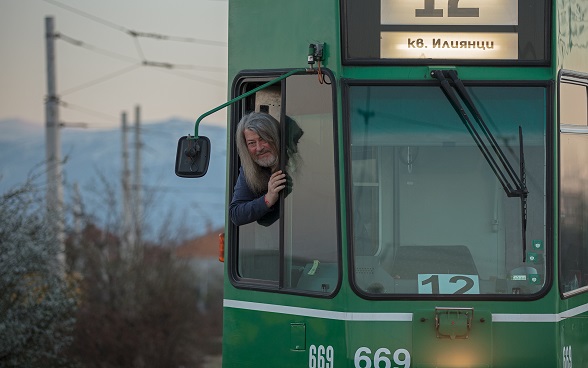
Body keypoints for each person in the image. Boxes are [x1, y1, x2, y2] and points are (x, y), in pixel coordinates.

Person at [229, 112, 288, 226]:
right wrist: (268, 198)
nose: (259, 148)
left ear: (276, 137)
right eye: (252, 143)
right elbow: (235, 214)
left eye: (263, 139)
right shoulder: (250, 168)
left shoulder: (295, 158)